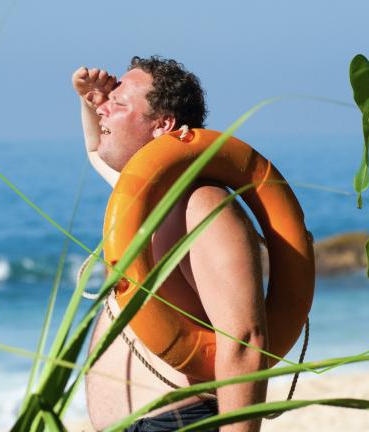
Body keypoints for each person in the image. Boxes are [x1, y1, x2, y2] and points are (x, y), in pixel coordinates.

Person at [73, 56, 268, 432]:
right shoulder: (145, 201)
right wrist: (90, 100)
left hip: (181, 422)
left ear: (162, 125)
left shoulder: (201, 205)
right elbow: (96, 150)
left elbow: (245, 339)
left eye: (119, 103)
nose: (104, 112)